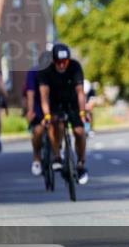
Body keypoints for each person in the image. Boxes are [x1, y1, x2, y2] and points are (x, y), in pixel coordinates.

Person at [39, 43, 91, 184]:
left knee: (79, 132)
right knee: (57, 124)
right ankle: (57, 156)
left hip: (72, 102)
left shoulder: (75, 67)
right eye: (58, 62)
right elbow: (44, 96)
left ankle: (80, 163)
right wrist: (47, 115)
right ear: (53, 61)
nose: (62, 66)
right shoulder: (46, 71)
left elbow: (80, 92)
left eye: (64, 62)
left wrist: (82, 111)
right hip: (55, 103)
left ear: (68, 60)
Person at [24, 50, 52, 176]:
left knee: (57, 125)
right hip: (37, 102)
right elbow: (30, 93)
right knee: (38, 131)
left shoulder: (56, 71)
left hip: (53, 100)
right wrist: (30, 111)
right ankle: (36, 157)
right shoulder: (33, 72)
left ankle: (58, 149)